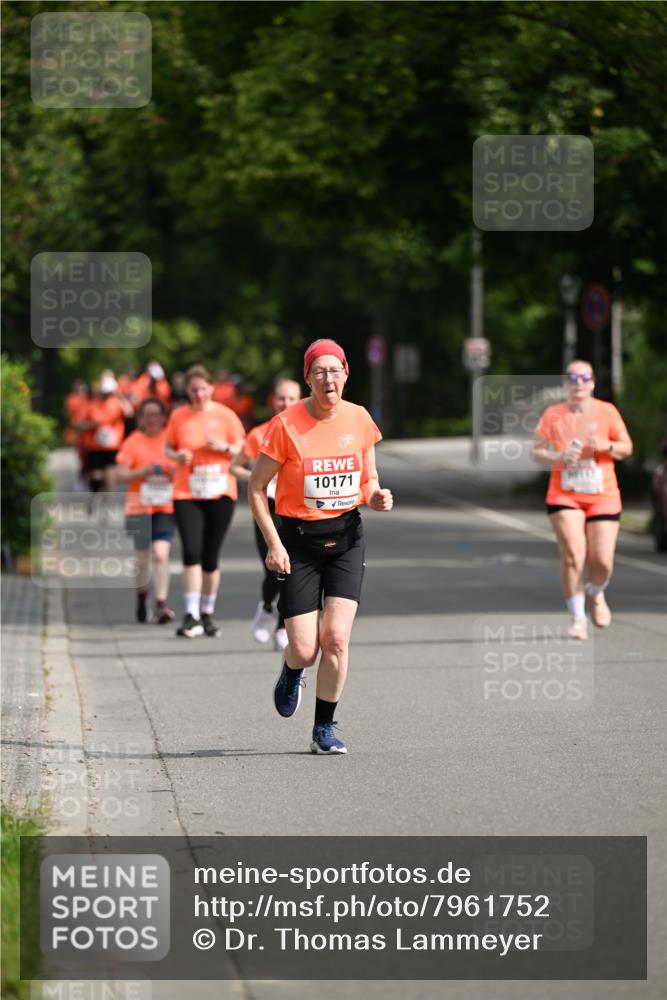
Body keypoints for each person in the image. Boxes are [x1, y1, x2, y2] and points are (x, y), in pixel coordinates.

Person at [249, 339, 393, 754]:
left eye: (335, 370)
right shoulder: (285, 425)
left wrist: (375, 495)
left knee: (336, 639)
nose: (328, 379)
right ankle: (292, 670)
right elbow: (256, 488)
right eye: (319, 372)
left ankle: (323, 729)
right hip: (297, 542)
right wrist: (274, 544)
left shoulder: (359, 418)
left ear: (346, 374)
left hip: (347, 538)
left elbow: (368, 477)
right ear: (308, 378)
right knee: (304, 648)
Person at [532, 359, 633, 640]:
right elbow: (536, 452)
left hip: (603, 494)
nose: (578, 383)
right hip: (564, 494)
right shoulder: (553, 414)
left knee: (602, 561)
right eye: (572, 378)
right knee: (573, 554)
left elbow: (627, 447)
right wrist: (559, 456)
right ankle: (577, 617)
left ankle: (596, 592)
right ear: (565, 383)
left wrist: (604, 445)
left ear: (592, 383)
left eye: (584, 377)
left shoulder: (606, 411)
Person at [165, 365, 245, 638]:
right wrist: (177, 456)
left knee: (210, 556)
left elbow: (243, 450)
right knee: (191, 552)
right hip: (187, 492)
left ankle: (208, 611)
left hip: (220, 491)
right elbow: (168, 446)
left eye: (203, 389)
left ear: (211, 388)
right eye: (193, 390)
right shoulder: (178, 416)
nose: (198, 394)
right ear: (186, 391)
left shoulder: (226, 415)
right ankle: (191, 614)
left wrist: (223, 448)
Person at [230, 377, 301, 651]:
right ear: (273, 401)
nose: (286, 403)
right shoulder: (259, 433)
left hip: (296, 507)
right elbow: (234, 467)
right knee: (273, 569)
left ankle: (283, 626)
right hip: (267, 507)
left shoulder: (306, 431)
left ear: (299, 400)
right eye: (281, 398)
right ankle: (267, 607)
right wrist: (259, 477)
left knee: (292, 569)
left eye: (291, 398)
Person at [114, 397, 177, 624]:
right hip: (138, 507)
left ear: (163, 417)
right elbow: (119, 475)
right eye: (147, 415)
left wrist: (174, 472)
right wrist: (141, 472)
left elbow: (183, 468)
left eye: (156, 415)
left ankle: (161, 604)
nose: (152, 419)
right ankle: (142, 596)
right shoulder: (133, 442)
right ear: (141, 418)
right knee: (141, 559)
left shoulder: (171, 441)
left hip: (164, 506)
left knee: (160, 554)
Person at [78, 373, 134, 497]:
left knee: (110, 470)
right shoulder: (92, 405)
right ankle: (97, 494)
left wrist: (120, 396)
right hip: (94, 445)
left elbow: (129, 413)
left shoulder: (116, 403)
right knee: (96, 474)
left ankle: (109, 498)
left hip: (112, 445)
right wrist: (92, 425)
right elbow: (80, 424)